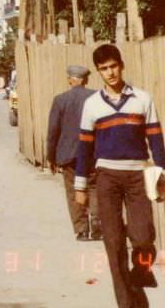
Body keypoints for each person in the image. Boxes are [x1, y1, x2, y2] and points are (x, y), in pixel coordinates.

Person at [75, 44, 164, 308]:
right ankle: (127, 303)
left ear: (121, 65)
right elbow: (84, 148)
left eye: (113, 66)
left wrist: (162, 176)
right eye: (104, 69)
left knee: (143, 237)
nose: (110, 73)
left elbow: (157, 142)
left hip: (137, 176)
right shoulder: (91, 105)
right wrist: (80, 186)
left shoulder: (142, 99)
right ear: (99, 72)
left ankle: (141, 273)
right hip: (107, 178)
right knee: (113, 244)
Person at [46, 65, 99, 241]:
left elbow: (53, 130)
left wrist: (51, 156)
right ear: (86, 80)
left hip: (68, 154)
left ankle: (82, 230)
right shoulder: (96, 97)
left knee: (73, 190)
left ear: (70, 80)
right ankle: (98, 224)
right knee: (93, 187)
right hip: (92, 152)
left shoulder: (60, 100)